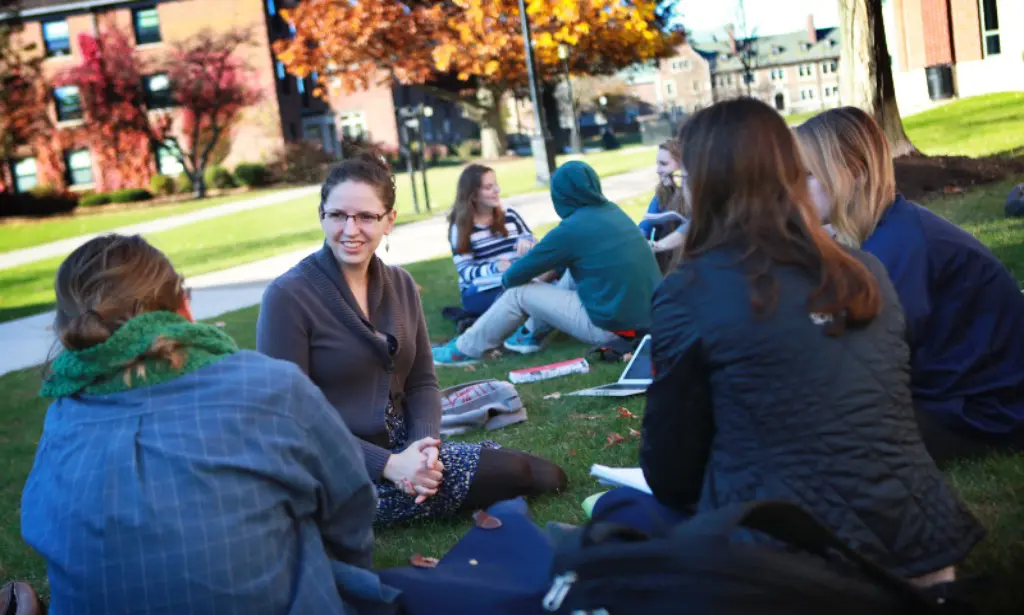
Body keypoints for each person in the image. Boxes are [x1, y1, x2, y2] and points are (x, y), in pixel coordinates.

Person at [639, 98, 983, 585]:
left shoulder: (688, 292)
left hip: (797, 561)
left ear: (702, 185)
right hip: (921, 540)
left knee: (621, 510)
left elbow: (671, 472)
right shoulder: (865, 268)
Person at [21, 234, 397, 615]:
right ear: (183, 306)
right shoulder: (271, 387)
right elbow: (350, 503)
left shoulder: (64, 417)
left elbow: (44, 530)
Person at [257, 152, 566, 526]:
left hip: (405, 446)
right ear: (321, 215)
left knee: (544, 474)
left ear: (389, 221)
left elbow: (422, 381)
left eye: (366, 216)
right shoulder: (288, 296)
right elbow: (288, 418)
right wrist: (388, 465)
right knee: (517, 474)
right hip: (331, 465)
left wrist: (424, 451)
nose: (350, 229)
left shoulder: (400, 284)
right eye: (338, 215)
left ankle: (420, 477)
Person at [796, 106, 1024, 466]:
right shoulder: (886, 231)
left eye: (806, 175)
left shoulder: (899, 246)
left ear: (853, 173)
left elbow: (857, 360)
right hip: (954, 396)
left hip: (980, 412)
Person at [432, 161, 661, 366]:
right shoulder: (614, 212)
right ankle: (528, 334)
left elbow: (511, 278)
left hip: (612, 328)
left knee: (518, 294)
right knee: (569, 272)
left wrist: (531, 270)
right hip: (649, 320)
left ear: (560, 195)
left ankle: (463, 350)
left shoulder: (571, 229)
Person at [448, 164, 556, 352]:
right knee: (520, 292)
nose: (497, 190)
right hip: (483, 289)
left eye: (495, 185)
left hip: (519, 276)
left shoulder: (510, 214)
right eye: (489, 187)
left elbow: (531, 240)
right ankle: (525, 327)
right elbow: (466, 272)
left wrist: (527, 243)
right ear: (473, 194)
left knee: (557, 265)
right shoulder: (460, 227)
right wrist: (494, 267)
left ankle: (521, 322)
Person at [637, 139, 689, 268]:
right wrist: (638, 240)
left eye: (664, 164)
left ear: (682, 166)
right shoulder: (663, 193)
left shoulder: (694, 196)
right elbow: (645, 225)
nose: (658, 170)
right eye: (657, 164)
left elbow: (690, 227)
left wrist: (659, 246)